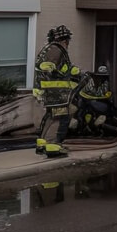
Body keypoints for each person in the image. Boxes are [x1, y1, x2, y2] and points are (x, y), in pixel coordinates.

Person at [33, 25, 81, 158]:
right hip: (56, 93)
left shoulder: (49, 49)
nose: (68, 44)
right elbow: (48, 67)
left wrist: (73, 71)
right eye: (68, 42)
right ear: (65, 40)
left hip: (50, 93)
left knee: (50, 116)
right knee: (61, 118)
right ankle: (53, 146)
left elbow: (60, 69)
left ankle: (42, 143)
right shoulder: (56, 50)